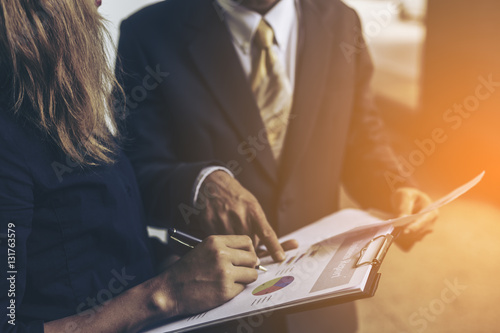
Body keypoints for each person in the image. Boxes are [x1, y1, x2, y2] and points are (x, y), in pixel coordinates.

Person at [116, 0, 439, 331]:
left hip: (323, 303)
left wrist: (397, 187)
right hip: (221, 309)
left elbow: (363, 140)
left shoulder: (343, 21)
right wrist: (200, 183)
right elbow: (137, 172)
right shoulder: (146, 34)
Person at [0, 1, 260, 332]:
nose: (99, 2)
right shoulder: (7, 139)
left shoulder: (68, 110)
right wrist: (165, 294)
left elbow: (100, 244)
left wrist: (179, 264)